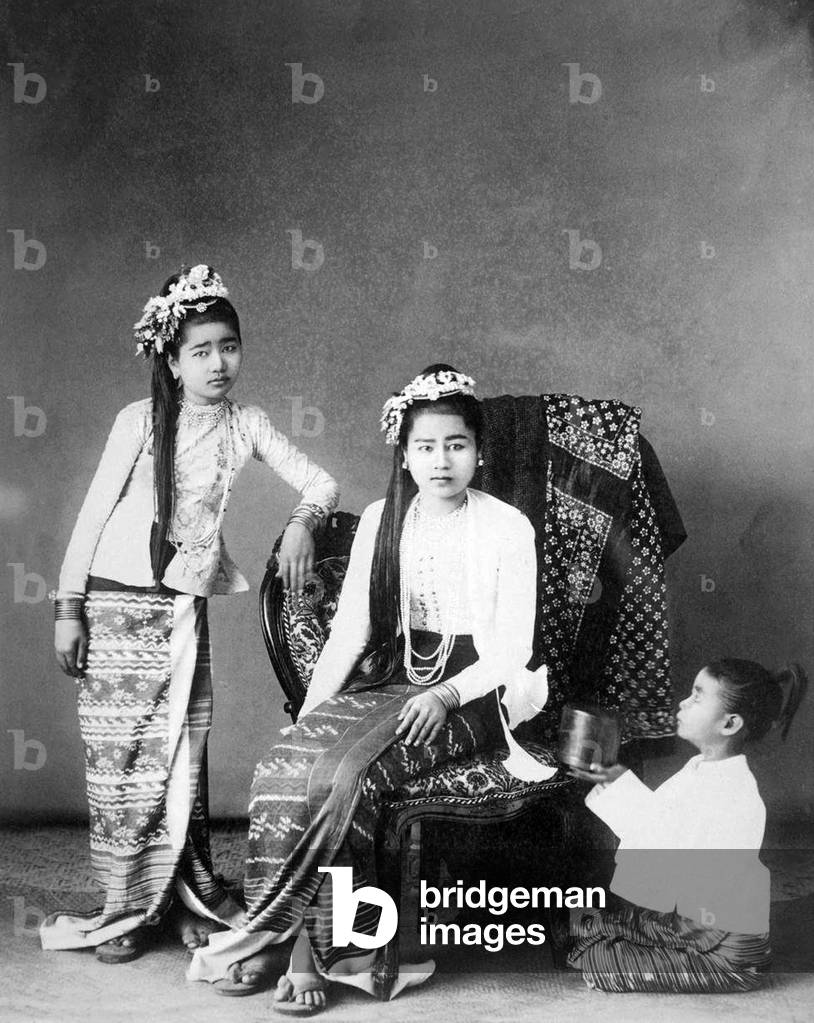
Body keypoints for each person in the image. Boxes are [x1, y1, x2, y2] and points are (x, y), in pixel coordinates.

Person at [188, 365, 552, 1013]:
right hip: (391, 677)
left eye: (457, 444)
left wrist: (446, 695)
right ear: (404, 454)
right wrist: (308, 712)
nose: (442, 461)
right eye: (426, 446)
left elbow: (512, 650)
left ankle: (315, 952)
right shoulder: (386, 519)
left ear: (480, 449)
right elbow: (350, 634)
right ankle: (280, 930)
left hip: (478, 695)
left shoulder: (506, 526)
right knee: (287, 762)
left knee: (348, 772)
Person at [42, 265, 339, 964]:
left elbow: (321, 480)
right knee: (122, 761)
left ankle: (183, 897)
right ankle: (129, 906)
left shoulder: (247, 425)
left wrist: (302, 521)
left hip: (180, 608)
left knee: (182, 755)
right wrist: (68, 605)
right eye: (200, 349)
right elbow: (91, 516)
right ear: (171, 360)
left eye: (228, 346)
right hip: (116, 606)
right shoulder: (138, 421)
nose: (218, 362)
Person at [567, 658, 808, 993]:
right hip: (692, 922)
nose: (683, 702)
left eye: (697, 696)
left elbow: (664, 842)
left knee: (599, 956)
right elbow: (660, 819)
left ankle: (720, 967)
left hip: (722, 948)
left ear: (729, 724)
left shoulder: (733, 792)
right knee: (597, 927)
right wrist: (614, 780)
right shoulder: (700, 768)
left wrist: (619, 784)